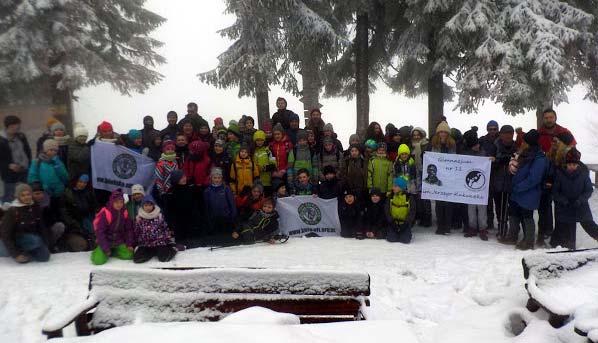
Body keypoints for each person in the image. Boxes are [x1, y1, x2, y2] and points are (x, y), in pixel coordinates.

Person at [537, 108, 576, 247]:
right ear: (543, 119)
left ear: (555, 118)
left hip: (561, 173)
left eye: (551, 117)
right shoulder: (539, 133)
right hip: (545, 173)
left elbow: (574, 150)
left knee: (560, 204)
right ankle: (544, 231)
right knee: (544, 205)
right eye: (546, 117)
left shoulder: (564, 132)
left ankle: (560, 234)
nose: (548, 120)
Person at [507, 130, 549, 250]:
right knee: (514, 212)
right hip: (518, 190)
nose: (521, 143)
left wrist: (518, 187)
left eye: (524, 141)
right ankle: (512, 236)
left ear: (529, 143)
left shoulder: (539, 158)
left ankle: (529, 241)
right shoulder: (524, 154)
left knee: (527, 216)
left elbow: (534, 178)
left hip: (529, 192)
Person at [551, 148, 598, 249]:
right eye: (569, 165)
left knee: (589, 224)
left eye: (574, 165)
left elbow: (588, 190)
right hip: (565, 206)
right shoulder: (560, 174)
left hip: (580, 205)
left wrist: (580, 200)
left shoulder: (583, 174)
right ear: (566, 164)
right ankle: (569, 248)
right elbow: (555, 191)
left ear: (578, 164)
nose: (572, 167)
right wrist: (563, 200)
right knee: (567, 227)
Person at [0, 183, 50, 263]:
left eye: (28, 194)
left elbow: (41, 226)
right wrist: (16, 254)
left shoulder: (35, 206)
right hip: (15, 240)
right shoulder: (12, 211)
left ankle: (27, 252)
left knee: (44, 257)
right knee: (35, 240)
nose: (26, 197)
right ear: (18, 197)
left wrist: (46, 244)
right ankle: (20, 252)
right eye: (23, 195)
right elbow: (5, 234)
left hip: (31, 239)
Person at [90, 189, 135, 265]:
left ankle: (113, 251)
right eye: (116, 202)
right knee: (98, 261)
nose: (119, 204)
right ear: (111, 202)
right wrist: (105, 248)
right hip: (107, 241)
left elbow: (129, 229)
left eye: (121, 202)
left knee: (130, 255)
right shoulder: (106, 213)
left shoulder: (124, 212)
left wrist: (129, 243)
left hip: (119, 241)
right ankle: (101, 250)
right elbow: (100, 232)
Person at [428, 121, 456, 235]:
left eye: (445, 132)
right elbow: (430, 158)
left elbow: (455, 159)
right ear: (438, 133)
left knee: (448, 203)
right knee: (439, 202)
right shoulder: (433, 144)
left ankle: (447, 226)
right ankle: (440, 226)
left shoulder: (452, 144)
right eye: (441, 132)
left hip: (449, 176)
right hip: (438, 176)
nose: (443, 134)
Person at [462, 127, 489, 240]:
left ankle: (483, 228)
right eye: (474, 145)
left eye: (478, 144)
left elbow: (487, 165)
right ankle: (472, 227)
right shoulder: (466, 155)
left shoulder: (483, 153)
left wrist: (490, 160)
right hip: (469, 187)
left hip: (481, 187)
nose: (477, 146)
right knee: (471, 208)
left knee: (482, 208)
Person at [491, 125, 517, 243]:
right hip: (498, 181)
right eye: (505, 133)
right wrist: (498, 161)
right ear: (500, 134)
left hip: (513, 182)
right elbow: (489, 161)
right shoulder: (495, 145)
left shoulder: (517, 146)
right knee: (500, 208)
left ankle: (513, 231)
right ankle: (502, 231)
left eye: (510, 133)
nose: (507, 135)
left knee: (512, 210)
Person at [59, 174, 97, 252]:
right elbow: (64, 213)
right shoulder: (68, 193)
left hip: (87, 222)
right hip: (73, 226)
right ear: (75, 181)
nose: (82, 184)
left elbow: (93, 208)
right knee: (81, 245)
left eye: (85, 182)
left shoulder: (88, 192)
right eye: (80, 182)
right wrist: (74, 224)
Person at [133, 196, 177, 263]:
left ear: (153, 205)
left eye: (150, 205)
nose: (148, 207)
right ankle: (153, 251)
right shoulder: (139, 218)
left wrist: (169, 241)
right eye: (146, 205)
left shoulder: (159, 216)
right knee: (137, 259)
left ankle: (172, 249)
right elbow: (137, 231)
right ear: (142, 206)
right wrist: (136, 243)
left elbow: (165, 229)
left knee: (164, 258)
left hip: (159, 242)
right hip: (145, 243)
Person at [28, 139, 69, 209]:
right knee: (46, 210)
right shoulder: (37, 162)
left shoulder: (58, 162)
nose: (53, 152)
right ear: (45, 150)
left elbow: (64, 176)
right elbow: (32, 177)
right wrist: (42, 187)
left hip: (58, 191)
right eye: (51, 150)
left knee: (58, 209)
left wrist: (58, 165)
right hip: (44, 192)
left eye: (55, 150)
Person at [0, 115, 32, 203]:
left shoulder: (21, 136)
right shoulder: (1, 140)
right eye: (17, 125)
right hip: (10, 174)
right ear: (10, 126)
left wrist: (28, 163)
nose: (19, 127)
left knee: (25, 195)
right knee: (10, 197)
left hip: (24, 171)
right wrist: (8, 165)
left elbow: (27, 151)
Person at [203, 168, 237, 238]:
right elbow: (206, 206)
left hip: (226, 218)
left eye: (219, 178)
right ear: (211, 178)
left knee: (226, 237)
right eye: (215, 178)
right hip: (214, 218)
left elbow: (232, 203)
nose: (217, 180)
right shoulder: (207, 191)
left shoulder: (226, 189)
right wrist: (208, 218)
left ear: (221, 178)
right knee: (217, 237)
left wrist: (233, 215)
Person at [479, 120, 500, 230]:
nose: (492, 131)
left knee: (498, 201)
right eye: (490, 129)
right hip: (485, 173)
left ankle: (501, 222)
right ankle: (489, 222)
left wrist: (496, 159)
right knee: (487, 201)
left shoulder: (501, 140)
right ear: (487, 129)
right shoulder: (482, 140)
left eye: (494, 129)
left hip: (498, 173)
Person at [385, 177, 416, 243]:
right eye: (393, 186)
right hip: (393, 223)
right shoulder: (390, 197)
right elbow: (387, 211)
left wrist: (406, 223)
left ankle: (404, 232)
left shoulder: (409, 197)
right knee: (391, 239)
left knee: (405, 240)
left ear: (401, 188)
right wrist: (391, 222)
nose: (393, 188)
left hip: (405, 223)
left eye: (395, 186)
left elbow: (412, 212)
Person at [411, 127, 431, 227]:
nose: (416, 136)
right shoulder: (411, 146)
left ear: (422, 135)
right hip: (415, 173)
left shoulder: (426, 144)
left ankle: (427, 217)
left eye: (418, 134)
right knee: (417, 196)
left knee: (425, 195)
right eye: (414, 135)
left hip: (425, 171)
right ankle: (420, 216)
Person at [153, 140, 179, 205]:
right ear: (164, 150)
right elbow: (158, 177)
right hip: (165, 190)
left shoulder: (175, 161)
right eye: (168, 149)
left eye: (172, 149)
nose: (170, 151)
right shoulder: (161, 163)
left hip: (175, 189)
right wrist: (161, 191)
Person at [253, 130, 276, 195]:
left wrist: (263, 168)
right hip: (256, 181)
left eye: (261, 140)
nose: (259, 142)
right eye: (257, 140)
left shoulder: (268, 150)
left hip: (267, 181)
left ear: (264, 140)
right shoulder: (253, 151)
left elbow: (273, 165)